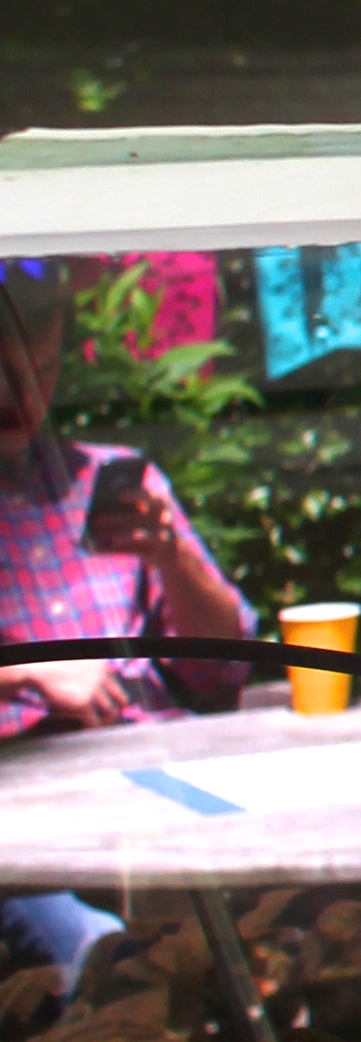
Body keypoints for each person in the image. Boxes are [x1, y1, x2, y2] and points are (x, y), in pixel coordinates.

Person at [0, 258, 255, 738]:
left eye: (43, 371)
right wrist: (29, 672)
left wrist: (172, 559)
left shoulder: (107, 476)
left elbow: (224, 668)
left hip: (149, 746)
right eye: (6, 374)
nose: (22, 396)